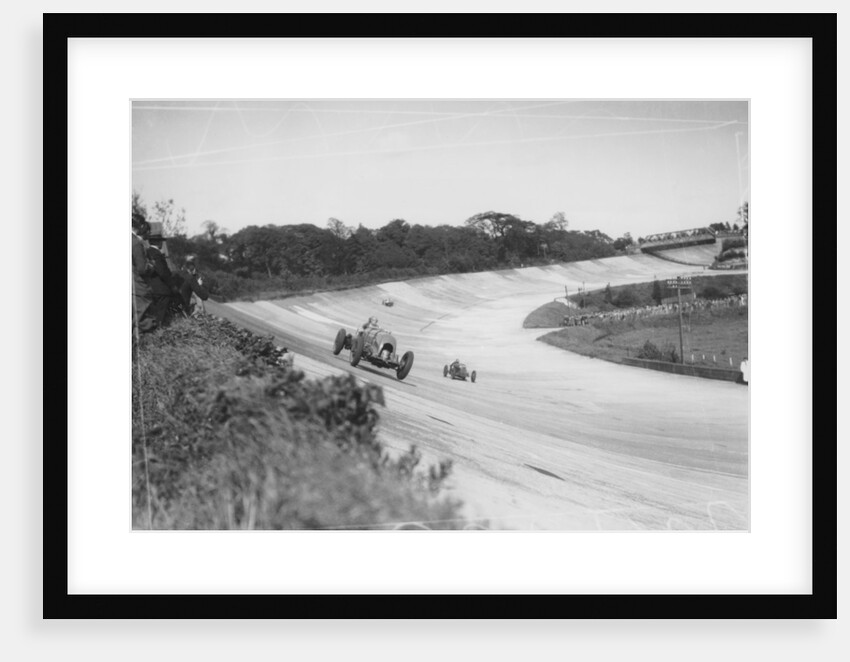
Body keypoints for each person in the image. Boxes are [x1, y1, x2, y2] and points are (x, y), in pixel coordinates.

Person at [141, 222, 177, 328]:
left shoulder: (147, 252)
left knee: (154, 313)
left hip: (150, 288)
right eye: (161, 241)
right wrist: (172, 285)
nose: (162, 244)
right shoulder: (157, 254)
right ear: (158, 243)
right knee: (161, 315)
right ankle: (160, 330)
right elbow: (163, 272)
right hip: (161, 289)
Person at [132, 214, 156, 334]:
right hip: (137, 286)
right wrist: (151, 266)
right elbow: (142, 269)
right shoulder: (135, 243)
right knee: (142, 322)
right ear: (140, 226)